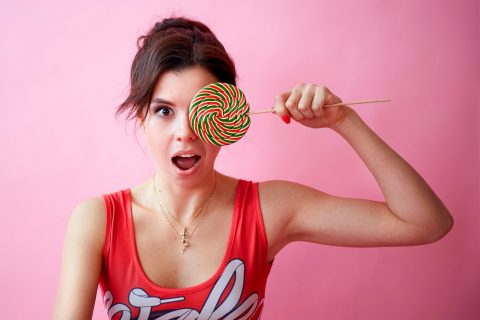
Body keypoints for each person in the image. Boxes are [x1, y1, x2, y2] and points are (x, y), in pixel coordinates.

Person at [52, 16, 454, 320]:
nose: (185, 132)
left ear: (226, 117)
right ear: (142, 118)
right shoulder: (98, 221)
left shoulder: (268, 209)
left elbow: (426, 223)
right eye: (163, 111)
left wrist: (343, 121)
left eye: (201, 110)